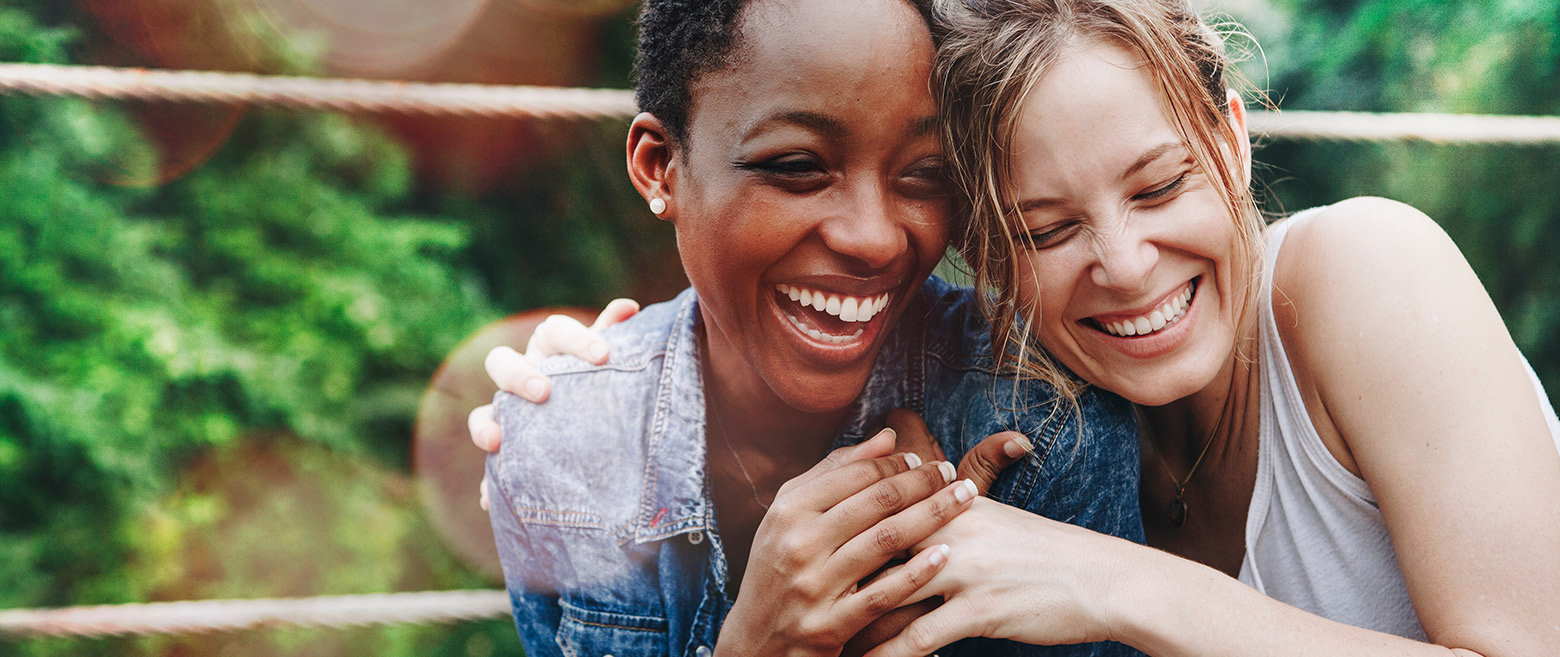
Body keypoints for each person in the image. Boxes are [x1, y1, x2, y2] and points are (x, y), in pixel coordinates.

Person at [849, 0, 1560, 655]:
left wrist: (1115, 583)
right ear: (986, 259)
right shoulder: (1039, 437)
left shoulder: (1369, 269)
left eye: (1159, 186)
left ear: (1231, 140)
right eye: (1048, 230)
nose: (1125, 267)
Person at [477, 0, 1145, 655]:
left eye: (924, 173)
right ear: (661, 167)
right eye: (798, 167)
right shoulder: (553, 454)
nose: (874, 238)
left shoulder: (1045, 423)